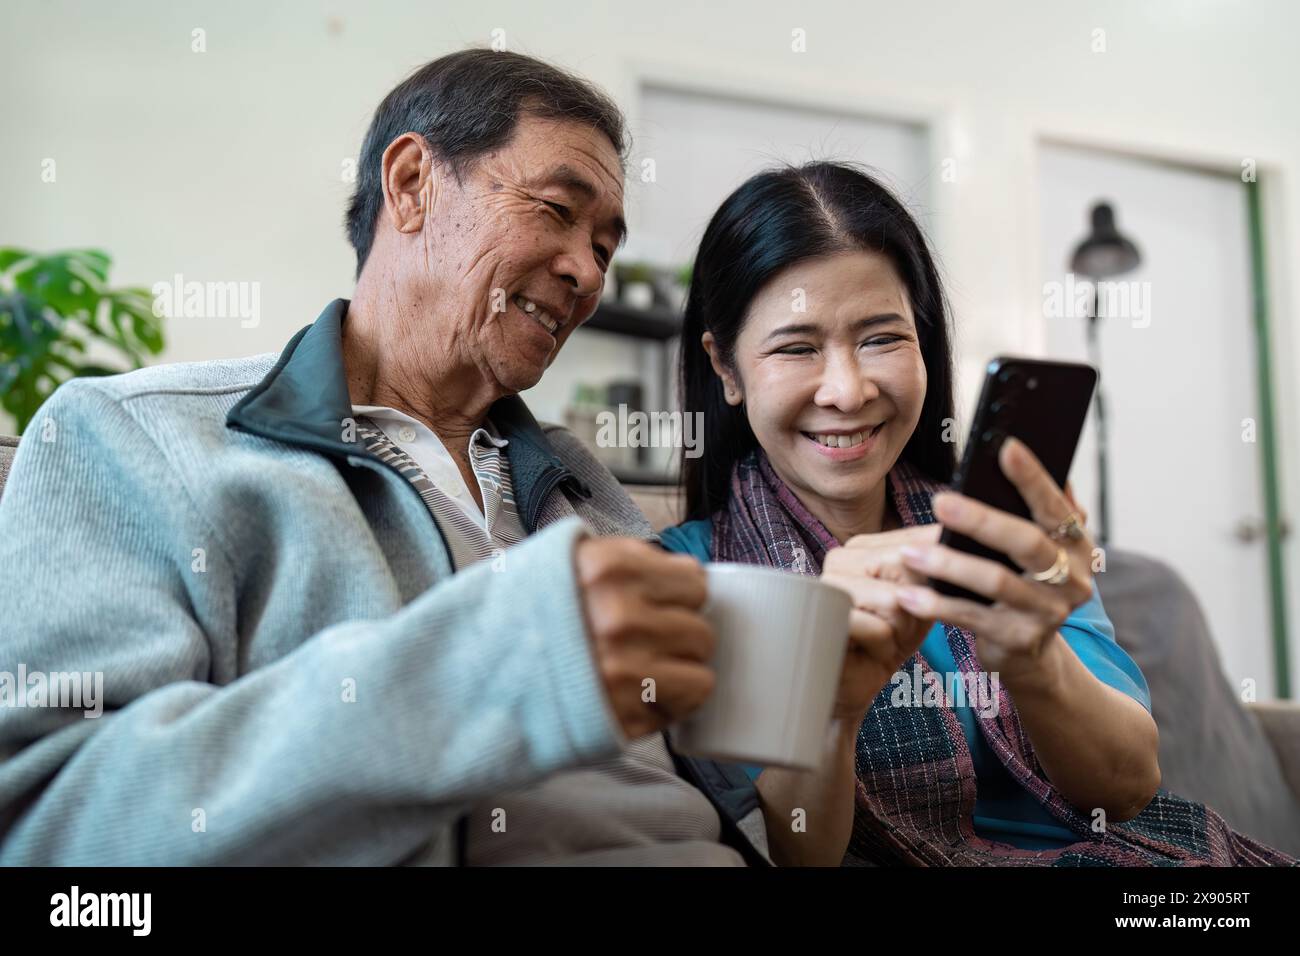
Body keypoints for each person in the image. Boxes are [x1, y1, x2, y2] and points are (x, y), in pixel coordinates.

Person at [1, 50, 862, 866]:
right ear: (411, 184)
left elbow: (753, 819)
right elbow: (50, 825)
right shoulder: (135, 438)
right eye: (557, 212)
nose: (586, 274)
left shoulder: (583, 489)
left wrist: (827, 709)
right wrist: (485, 669)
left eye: (605, 247)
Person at [660, 160, 1295, 866]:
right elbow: (794, 854)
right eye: (797, 347)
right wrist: (832, 707)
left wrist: (1031, 655)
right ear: (725, 368)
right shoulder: (687, 578)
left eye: (881, 338)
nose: (847, 388)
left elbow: (1125, 788)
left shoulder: (999, 535)